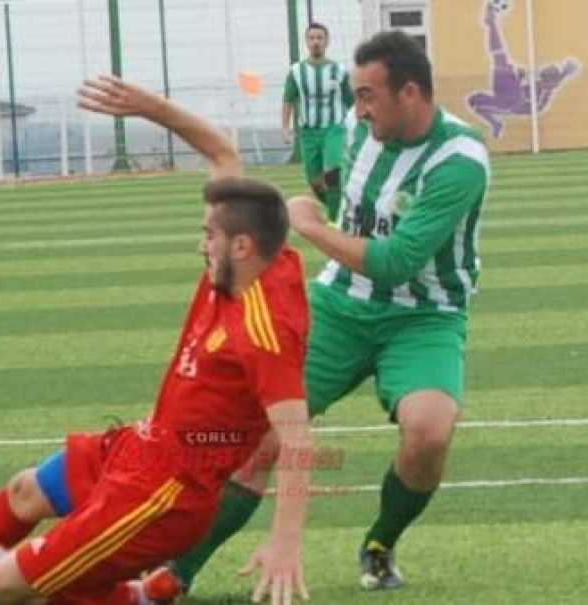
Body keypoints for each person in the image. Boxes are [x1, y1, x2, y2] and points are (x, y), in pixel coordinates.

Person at [0, 75, 314, 605]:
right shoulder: (263, 254)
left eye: (206, 236)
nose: (199, 245)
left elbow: (299, 440)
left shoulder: (264, 331)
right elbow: (222, 151)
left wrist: (285, 543)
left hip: (165, 493)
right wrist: (149, 107)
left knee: (1, 587)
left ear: (240, 246)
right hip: (141, 449)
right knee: (24, 492)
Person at [159, 29, 491, 595]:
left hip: (425, 315)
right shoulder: (357, 135)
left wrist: (309, 225)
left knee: (429, 432)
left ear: (410, 93)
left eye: (367, 95)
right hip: (339, 306)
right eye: (355, 96)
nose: (357, 109)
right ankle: (175, 573)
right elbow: (350, 206)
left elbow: (395, 260)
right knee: (259, 435)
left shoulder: (459, 160)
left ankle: (381, 543)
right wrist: (325, 206)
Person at [466, 0, 578, 138]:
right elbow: (530, 82)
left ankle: (492, 23)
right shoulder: (537, 82)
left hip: (511, 101)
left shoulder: (546, 87)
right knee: (473, 99)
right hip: (506, 94)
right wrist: (520, 76)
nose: (546, 67)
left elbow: (539, 105)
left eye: (550, 69)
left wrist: (566, 72)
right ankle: (495, 123)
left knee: (500, 59)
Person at [282, 22, 355, 223]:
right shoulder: (296, 72)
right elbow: (288, 99)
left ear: (327, 41)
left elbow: (351, 101)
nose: (315, 42)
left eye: (319, 38)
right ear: (306, 41)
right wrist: (285, 128)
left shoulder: (339, 71)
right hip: (308, 132)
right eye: (312, 38)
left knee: (332, 172)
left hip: (334, 129)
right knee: (315, 182)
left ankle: (334, 222)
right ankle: (340, 208)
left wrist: (363, 125)